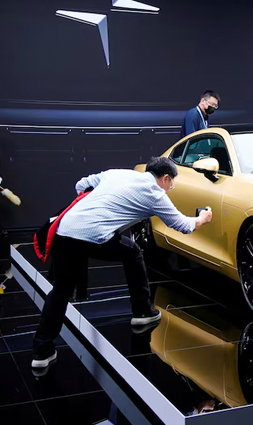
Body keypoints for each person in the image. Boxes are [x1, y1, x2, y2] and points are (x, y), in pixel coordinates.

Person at [31, 157, 214, 369]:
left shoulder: (118, 173)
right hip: (93, 235)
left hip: (64, 231)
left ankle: (41, 352)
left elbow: (81, 184)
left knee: (60, 291)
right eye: (171, 183)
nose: (170, 188)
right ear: (165, 178)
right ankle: (142, 313)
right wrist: (203, 218)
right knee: (133, 253)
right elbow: (182, 225)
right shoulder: (155, 193)